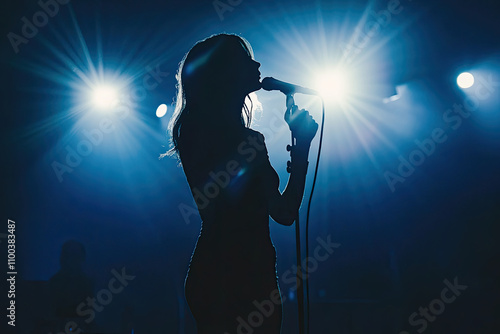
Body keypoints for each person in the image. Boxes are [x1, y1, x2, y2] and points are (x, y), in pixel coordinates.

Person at [168, 33, 318, 333]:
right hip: (244, 274)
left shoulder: (193, 131)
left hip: (220, 270)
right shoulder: (244, 141)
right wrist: (301, 149)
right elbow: (284, 213)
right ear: (223, 73)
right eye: (246, 60)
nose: (257, 64)